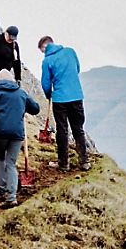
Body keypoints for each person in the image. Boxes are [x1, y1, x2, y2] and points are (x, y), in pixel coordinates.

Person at [0, 68, 40, 208]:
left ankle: (2, 190)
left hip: (0, 132)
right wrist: (24, 104)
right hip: (17, 134)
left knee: (0, 159)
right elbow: (36, 109)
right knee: (11, 163)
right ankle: (11, 196)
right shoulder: (21, 93)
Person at [38, 35, 89, 171]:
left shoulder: (47, 61)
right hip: (76, 96)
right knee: (78, 129)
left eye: (42, 51)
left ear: (44, 47)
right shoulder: (70, 52)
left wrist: (49, 94)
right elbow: (77, 69)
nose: (43, 54)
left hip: (60, 99)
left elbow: (46, 82)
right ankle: (84, 161)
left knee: (62, 130)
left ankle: (63, 164)